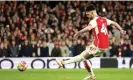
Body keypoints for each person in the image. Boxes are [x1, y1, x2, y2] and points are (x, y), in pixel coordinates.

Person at [56, 4, 126, 80]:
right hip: (104, 46)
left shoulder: (94, 21)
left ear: (92, 13)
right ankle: (92, 76)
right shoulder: (104, 19)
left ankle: (62, 63)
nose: (87, 16)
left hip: (98, 46)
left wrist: (78, 33)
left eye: (88, 14)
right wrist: (121, 29)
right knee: (85, 59)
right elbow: (114, 23)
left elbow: (88, 28)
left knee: (81, 56)